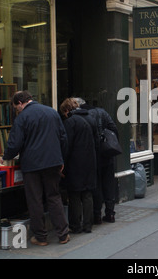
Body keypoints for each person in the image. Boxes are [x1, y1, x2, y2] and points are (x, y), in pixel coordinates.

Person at [1, 91, 69, 246]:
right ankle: (63, 234)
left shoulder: (22, 118)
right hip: (52, 162)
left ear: (20, 103)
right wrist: (61, 158)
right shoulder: (52, 112)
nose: (17, 110)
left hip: (31, 165)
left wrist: (6, 157)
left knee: (35, 200)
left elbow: (14, 144)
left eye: (16, 107)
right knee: (54, 196)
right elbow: (63, 138)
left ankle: (40, 237)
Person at [74, 98, 119, 224]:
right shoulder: (102, 112)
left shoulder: (82, 116)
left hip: (94, 155)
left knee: (97, 184)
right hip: (107, 154)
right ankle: (110, 213)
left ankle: (97, 215)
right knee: (109, 183)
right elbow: (114, 129)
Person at [60, 98, 98, 234]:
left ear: (66, 110)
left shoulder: (70, 122)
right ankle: (88, 225)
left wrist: (62, 163)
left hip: (75, 163)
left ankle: (76, 225)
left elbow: (66, 145)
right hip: (90, 161)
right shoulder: (91, 119)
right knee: (87, 194)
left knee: (75, 194)